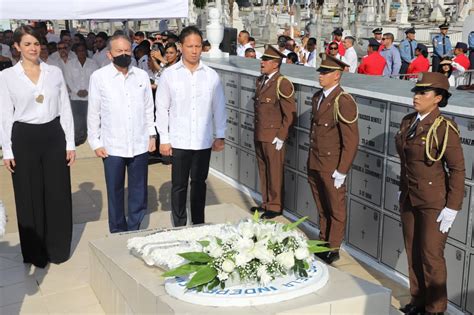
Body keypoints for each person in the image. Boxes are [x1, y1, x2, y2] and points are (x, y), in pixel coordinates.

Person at [0, 26, 75, 268]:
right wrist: (7, 150)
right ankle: (35, 252)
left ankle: (58, 249)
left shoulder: (54, 72)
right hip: (23, 137)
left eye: (36, 43)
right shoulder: (7, 77)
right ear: (17, 47)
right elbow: (4, 115)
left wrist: (70, 143)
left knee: (57, 192)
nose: (33, 48)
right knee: (28, 195)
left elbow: (65, 107)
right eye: (28, 44)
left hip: (53, 135)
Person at [396, 72, 465, 315]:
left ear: (438, 98)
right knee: (413, 250)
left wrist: (452, 207)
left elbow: (457, 170)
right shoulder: (408, 121)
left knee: (431, 256)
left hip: (434, 202)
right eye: (416, 91)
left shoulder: (444, 128)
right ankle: (418, 301)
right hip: (409, 197)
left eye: (423, 93)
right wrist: (401, 188)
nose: (417, 96)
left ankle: (435, 309)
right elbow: (406, 162)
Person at [156, 26, 226, 227]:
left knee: (199, 184)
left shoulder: (211, 75)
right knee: (178, 186)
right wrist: (164, 139)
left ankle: (198, 224)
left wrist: (220, 134)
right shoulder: (170, 75)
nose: (194, 50)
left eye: (197, 46)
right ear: (180, 47)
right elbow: (162, 109)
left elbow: (219, 106)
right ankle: (179, 225)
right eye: (190, 46)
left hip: (202, 141)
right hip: (179, 141)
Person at [87, 34, 156, 233]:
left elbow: (147, 109)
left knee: (138, 191)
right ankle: (117, 230)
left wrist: (152, 135)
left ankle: (134, 227)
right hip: (112, 146)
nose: (124, 54)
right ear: (110, 54)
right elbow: (94, 112)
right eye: (119, 51)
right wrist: (95, 142)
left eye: (127, 50)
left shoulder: (141, 76)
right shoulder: (99, 77)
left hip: (139, 143)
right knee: (115, 191)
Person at [308, 53, 359, 264]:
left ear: (337, 76)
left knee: (335, 207)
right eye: (321, 72)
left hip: (332, 165)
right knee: (322, 205)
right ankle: (323, 242)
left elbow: (351, 140)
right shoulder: (318, 97)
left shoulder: (343, 101)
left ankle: (334, 246)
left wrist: (342, 170)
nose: (321, 76)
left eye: (326, 72)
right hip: (315, 160)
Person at [249, 45, 296, 219]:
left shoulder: (282, 83)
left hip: (274, 136)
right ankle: (266, 202)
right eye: (263, 60)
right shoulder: (261, 80)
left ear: (276, 64)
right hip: (260, 134)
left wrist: (281, 136)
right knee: (264, 169)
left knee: (275, 171)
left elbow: (290, 113)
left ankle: (275, 206)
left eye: (266, 60)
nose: (262, 62)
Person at [64, 43, 99, 146]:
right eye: (79, 51)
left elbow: (96, 79)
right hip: (75, 98)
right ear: (76, 53)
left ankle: (92, 141)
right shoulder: (70, 64)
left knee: (90, 120)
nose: (81, 53)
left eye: (83, 50)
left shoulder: (93, 63)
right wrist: (76, 91)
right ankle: (78, 140)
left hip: (90, 97)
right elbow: (68, 79)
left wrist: (88, 90)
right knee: (78, 121)